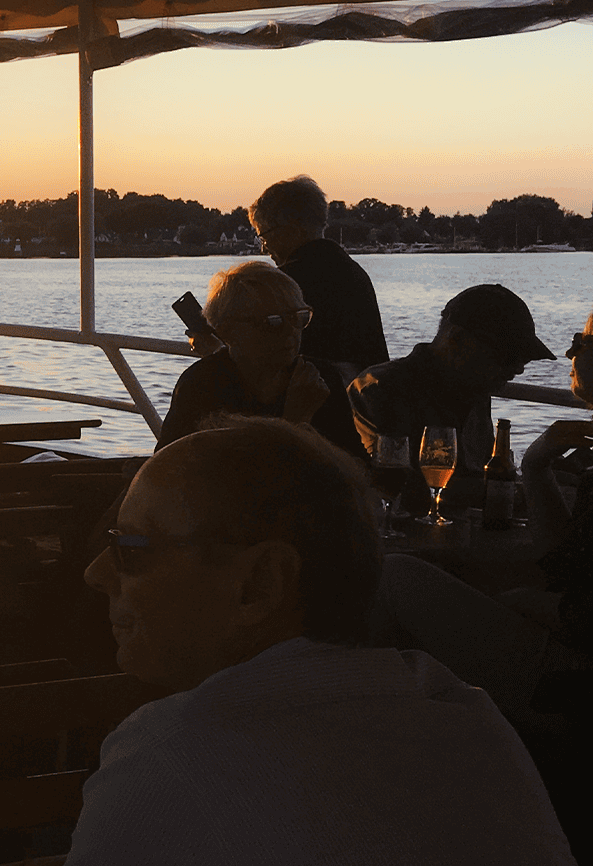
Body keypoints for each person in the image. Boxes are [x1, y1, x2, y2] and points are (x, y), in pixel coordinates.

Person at [70, 416, 573, 866]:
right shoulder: (468, 719)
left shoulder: (170, 756)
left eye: (130, 549)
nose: (95, 574)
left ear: (259, 584)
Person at [371, 308, 593, 731]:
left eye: (584, 343)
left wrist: (524, 601)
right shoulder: (390, 388)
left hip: (570, 674)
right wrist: (536, 466)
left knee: (390, 577)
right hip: (562, 642)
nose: (571, 352)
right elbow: (559, 561)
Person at [348, 283, 555, 510]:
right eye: (506, 356)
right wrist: (524, 489)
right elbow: (399, 490)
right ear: (456, 338)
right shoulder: (379, 390)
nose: (518, 369)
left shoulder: (476, 388)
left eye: (523, 359)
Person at [158, 261, 364, 459]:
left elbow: (356, 463)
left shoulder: (320, 378)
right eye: (273, 322)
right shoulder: (202, 386)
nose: (291, 331)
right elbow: (168, 469)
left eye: (299, 317)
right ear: (228, 331)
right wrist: (295, 421)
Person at [249, 175, 388, 381]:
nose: (263, 248)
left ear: (290, 229)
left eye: (264, 236)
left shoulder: (284, 284)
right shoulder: (353, 272)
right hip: (363, 393)